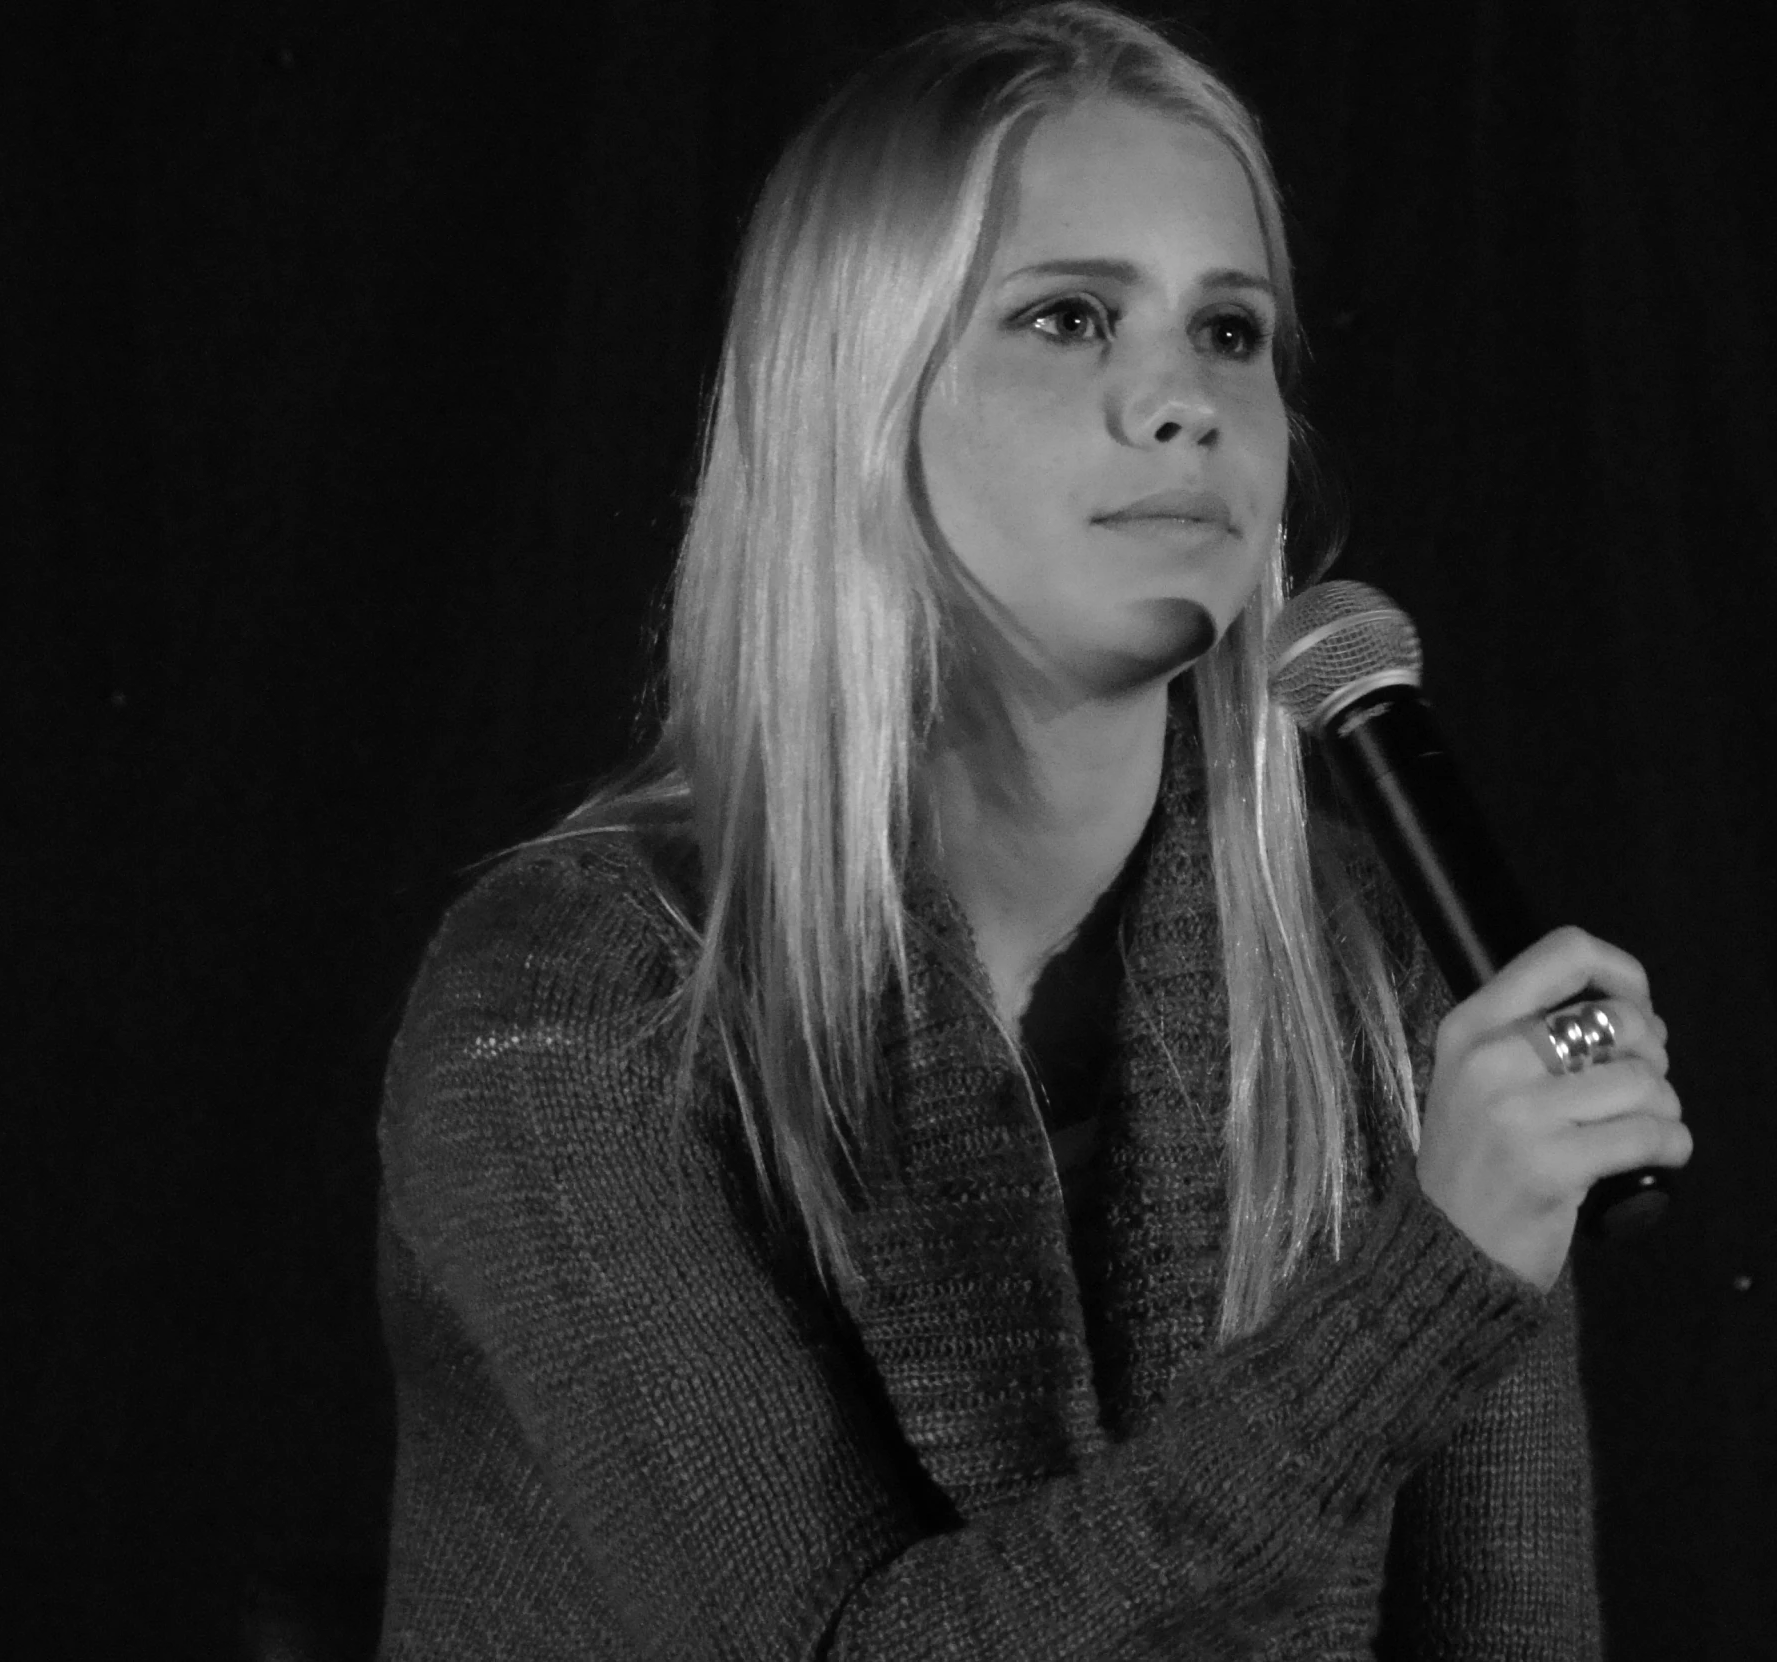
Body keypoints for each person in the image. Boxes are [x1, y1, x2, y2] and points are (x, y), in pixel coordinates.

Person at [374, 4, 1691, 1657]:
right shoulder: (575, 1002)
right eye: (1070, 317)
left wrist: (1478, 1229)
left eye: (1232, 332)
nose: (1184, 402)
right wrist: (1432, 1281)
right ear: (854, 405)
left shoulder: (1388, 992)